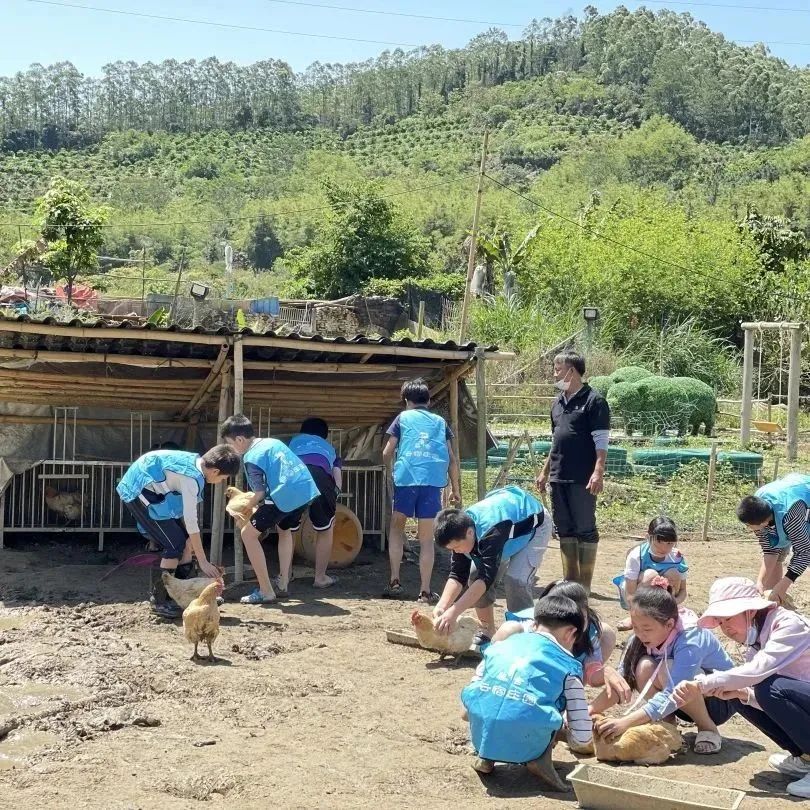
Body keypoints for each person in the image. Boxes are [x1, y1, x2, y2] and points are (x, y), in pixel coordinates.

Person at [673, 577, 810, 799]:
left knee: (766, 687)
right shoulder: (755, 641)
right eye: (720, 622)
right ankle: (804, 757)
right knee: (738, 696)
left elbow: (758, 671)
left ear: (750, 610)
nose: (725, 627)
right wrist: (741, 694)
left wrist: (702, 684)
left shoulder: (788, 625)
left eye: (728, 618)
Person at [460, 594, 591, 787]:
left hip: (480, 735)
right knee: (552, 704)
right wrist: (565, 733)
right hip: (528, 742)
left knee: (496, 700)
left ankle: (486, 756)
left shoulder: (500, 646)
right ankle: (539, 760)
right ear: (571, 633)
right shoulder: (569, 666)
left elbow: (472, 693)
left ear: (535, 624)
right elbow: (583, 737)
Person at [590, 584, 734, 755]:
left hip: (721, 701)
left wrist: (625, 722)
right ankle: (668, 725)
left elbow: (675, 689)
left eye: (647, 629)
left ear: (669, 624)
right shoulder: (639, 637)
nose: (640, 634)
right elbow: (622, 680)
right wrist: (589, 711)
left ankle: (708, 728)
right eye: (635, 627)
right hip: (680, 703)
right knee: (643, 666)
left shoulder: (690, 639)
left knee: (668, 669)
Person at [117, 444, 240, 618]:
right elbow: (191, 522)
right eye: (223, 478)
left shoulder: (196, 464)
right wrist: (203, 561)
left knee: (185, 542)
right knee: (174, 545)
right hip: (139, 490)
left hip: (154, 489)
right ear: (215, 471)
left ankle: (183, 595)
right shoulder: (191, 479)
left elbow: (188, 522)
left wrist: (191, 542)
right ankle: (159, 601)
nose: (221, 482)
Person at [432, 485, 551, 648]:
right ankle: (487, 631)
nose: (456, 552)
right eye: (452, 549)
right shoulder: (460, 531)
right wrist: (442, 606)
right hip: (506, 532)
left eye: (457, 547)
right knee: (474, 575)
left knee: (516, 581)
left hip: (534, 527)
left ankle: (525, 635)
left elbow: (486, 579)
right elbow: (458, 574)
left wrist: (453, 612)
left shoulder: (491, 532)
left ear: (469, 533)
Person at [220, 415, 319, 605]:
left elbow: (259, 494)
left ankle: (266, 591)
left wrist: (244, 509)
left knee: (248, 535)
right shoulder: (272, 442)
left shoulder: (251, 458)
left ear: (239, 440)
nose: (232, 449)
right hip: (306, 491)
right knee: (284, 529)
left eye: (230, 444)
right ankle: (283, 583)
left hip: (284, 496)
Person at [535, 352, 610, 594]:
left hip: (582, 477)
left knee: (585, 528)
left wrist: (598, 471)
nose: (554, 374)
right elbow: (556, 440)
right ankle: (570, 580)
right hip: (558, 475)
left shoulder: (594, 401)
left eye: (558, 369)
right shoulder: (557, 403)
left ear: (572, 371)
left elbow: (601, 440)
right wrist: (545, 472)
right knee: (564, 528)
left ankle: (584, 585)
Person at [382, 378, 461, 603]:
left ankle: (394, 581)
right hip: (432, 483)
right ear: (428, 400)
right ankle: (425, 591)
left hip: (406, 480)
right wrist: (455, 489)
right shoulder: (440, 422)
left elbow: (387, 452)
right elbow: (452, 459)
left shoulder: (403, 418)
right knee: (426, 539)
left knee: (396, 529)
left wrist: (391, 472)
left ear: (407, 400)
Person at [493, 579, 630, 703]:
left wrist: (606, 672)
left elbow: (592, 674)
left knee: (606, 633)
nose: (573, 625)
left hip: (560, 684)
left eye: (580, 617)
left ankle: (566, 700)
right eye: (564, 619)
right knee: (509, 628)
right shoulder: (528, 630)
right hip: (517, 687)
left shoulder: (590, 632)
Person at [737, 472, 810, 605]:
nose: (748, 528)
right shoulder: (757, 507)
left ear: (763, 523)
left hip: (801, 499)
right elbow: (770, 550)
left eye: (748, 525)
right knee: (777, 554)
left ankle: (778, 595)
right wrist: (760, 582)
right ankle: (774, 603)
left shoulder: (790, 516)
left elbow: (804, 552)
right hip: (789, 496)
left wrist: (783, 586)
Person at [288, 417, 342, 589]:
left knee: (288, 529)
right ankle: (320, 578)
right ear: (325, 435)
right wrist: (333, 495)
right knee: (325, 529)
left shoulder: (293, 442)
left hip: (295, 477)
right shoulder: (329, 448)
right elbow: (337, 476)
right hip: (321, 478)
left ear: (302, 431)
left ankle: (285, 575)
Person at [614, 517, 688, 630]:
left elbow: (682, 591)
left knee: (673, 574)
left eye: (669, 543)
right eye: (659, 541)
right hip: (636, 594)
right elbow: (630, 593)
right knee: (650, 575)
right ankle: (636, 618)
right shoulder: (637, 555)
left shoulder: (677, 557)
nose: (664, 548)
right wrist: (634, 613)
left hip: (666, 600)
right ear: (648, 537)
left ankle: (665, 616)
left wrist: (672, 604)